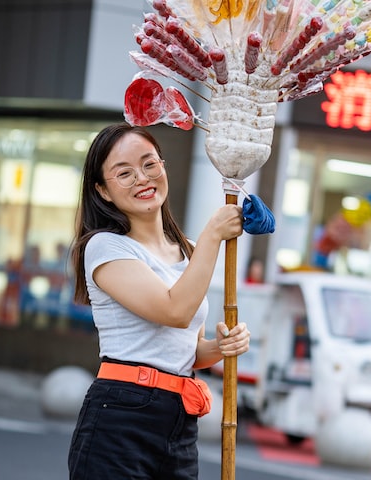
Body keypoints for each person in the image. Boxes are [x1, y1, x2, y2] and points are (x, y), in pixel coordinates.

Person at [67, 123, 251, 479]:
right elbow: (175, 311)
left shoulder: (189, 251)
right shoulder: (104, 246)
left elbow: (184, 348)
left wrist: (221, 347)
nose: (142, 177)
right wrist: (213, 234)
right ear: (103, 191)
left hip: (179, 419)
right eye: (124, 173)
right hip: (121, 414)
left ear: (163, 166)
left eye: (149, 164)